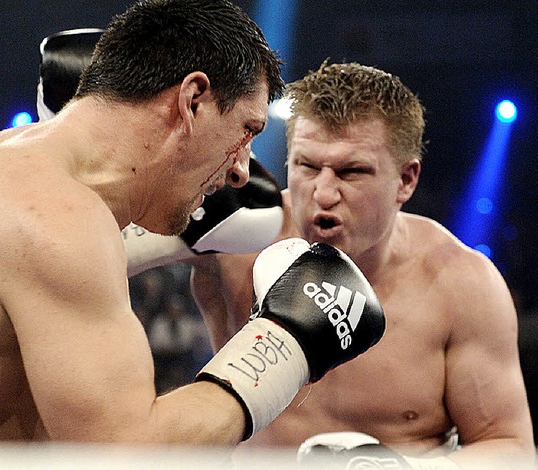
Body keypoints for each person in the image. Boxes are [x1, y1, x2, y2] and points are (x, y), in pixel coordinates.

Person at [0, 0, 387, 446]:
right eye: (246, 130)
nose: (242, 167)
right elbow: (126, 451)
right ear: (193, 100)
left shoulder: (0, 165)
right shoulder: (55, 220)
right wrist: (289, 342)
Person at [190, 61, 535, 469]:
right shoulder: (232, 243)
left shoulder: (461, 284)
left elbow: (510, 447)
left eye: (351, 171)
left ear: (406, 180)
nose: (323, 192)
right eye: (307, 166)